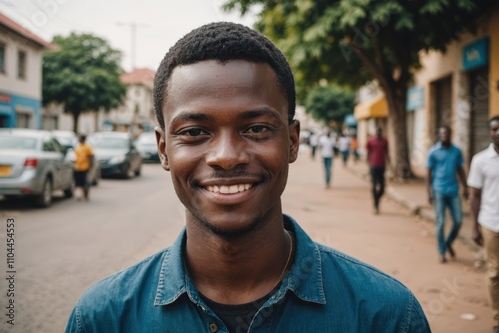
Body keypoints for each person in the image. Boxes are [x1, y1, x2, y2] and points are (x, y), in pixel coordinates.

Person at [65, 22, 430, 333]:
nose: (225, 157)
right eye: (194, 132)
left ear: (292, 141)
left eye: (256, 128)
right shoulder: (103, 318)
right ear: (163, 149)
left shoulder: (386, 317)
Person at [467, 116, 499, 333]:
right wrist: (474, 226)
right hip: (491, 223)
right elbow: (475, 196)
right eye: (495, 129)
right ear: (489, 132)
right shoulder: (480, 160)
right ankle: (498, 317)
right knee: (495, 272)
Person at [426, 126, 468, 264]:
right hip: (438, 190)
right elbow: (428, 173)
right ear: (439, 135)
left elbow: (460, 169)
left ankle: (448, 242)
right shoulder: (433, 152)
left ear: (450, 135)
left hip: (454, 190)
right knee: (441, 222)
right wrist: (429, 192)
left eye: (447, 133)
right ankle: (442, 251)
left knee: (458, 220)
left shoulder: (456, 151)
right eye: (442, 133)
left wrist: (465, 187)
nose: (445, 135)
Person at [366, 127, 390, 214]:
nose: (378, 133)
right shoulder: (371, 141)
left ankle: (377, 199)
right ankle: (375, 205)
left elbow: (387, 152)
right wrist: (368, 163)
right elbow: (368, 152)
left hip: (382, 166)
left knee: (382, 187)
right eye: (377, 131)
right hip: (373, 166)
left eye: (380, 131)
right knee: (373, 186)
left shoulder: (384, 141)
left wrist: (389, 164)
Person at [73, 134, 93, 201]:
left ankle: (86, 194)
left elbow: (91, 157)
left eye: (80, 138)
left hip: (85, 167)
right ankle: (79, 195)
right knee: (78, 182)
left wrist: (90, 166)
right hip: (77, 167)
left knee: (85, 182)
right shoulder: (77, 147)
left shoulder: (87, 147)